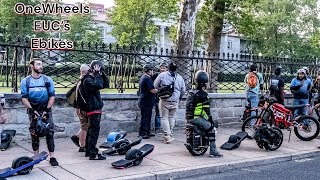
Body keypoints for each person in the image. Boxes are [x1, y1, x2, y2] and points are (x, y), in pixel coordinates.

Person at [20, 58, 59, 166]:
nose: (41, 66)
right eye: (38, 64)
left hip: (46, 110)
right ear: (31, 66)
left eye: (41, 64)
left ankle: (52, 157)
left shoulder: (47, 80)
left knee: (50, 133)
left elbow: (52, 96)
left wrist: (47, 110)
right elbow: (24, 97)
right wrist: (32, 110)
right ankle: (35, 157)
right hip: (33, 111)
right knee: (34, 133)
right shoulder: (25, 81)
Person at [185, 70, 223, 157]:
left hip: (188, 117)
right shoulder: (203, 94)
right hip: (196, 118)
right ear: (205, 83)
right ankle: (213, 151)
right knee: (212, 129)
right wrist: (210, 120)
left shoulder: (191, 92)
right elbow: (206, 110)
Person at [78, 60, 106, 160]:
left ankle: (89, 151)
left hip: (94, 109)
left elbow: (105, 84)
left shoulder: (89, 79)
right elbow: (98, 85)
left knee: (91, 131)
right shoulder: (87, 80)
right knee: (94, 132)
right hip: (93, 109)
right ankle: (92, 153)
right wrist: (97, 73)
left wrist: (102, 73)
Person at [154, 62, 186, 144]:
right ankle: (170, 134)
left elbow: (155, 85)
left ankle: (167, 136)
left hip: (165, 100)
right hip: (175, 101)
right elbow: (183, 90)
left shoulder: (162, 75)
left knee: (164, 118)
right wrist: (178, 97)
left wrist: (161, 90)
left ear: (168, 68)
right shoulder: (180, 77)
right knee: (172, 117)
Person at [70, 64, 90, 152]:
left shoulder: (80, 80)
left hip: (81, 107)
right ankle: (82, 145)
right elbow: (78, 97)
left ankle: (77, 137)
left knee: (86, 126)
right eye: (88, 70)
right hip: (83, 108)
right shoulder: (82, 81)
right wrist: (78, 107)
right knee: (84, 127)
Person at [138, 64, 158, 139]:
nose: (153, 72)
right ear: (149, 71)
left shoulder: (144, 77)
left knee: (148, 117)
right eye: (152, 70)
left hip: (146, 101)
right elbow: (152, 90)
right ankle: (143, 133)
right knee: (145, 117)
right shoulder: (147, 78)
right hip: (146, 101)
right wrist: (159, 90)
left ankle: (147, 132)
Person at [151, 62, 168, 133]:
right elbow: (151, 83)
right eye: (161, 68)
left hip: (166, 96)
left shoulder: (168, 76)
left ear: (167, 69)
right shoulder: (156, 75)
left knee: (166, 114)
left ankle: (166, 129)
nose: (162, 69)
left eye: (164, 68)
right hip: (157, 96)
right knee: (158, 113)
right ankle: (157, 128)